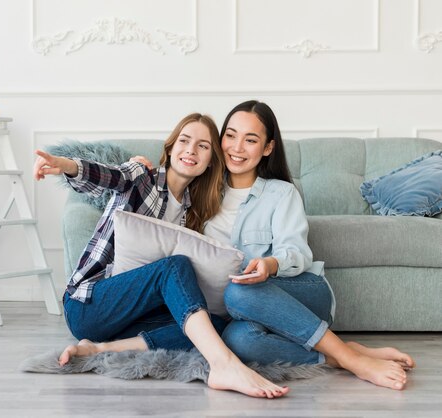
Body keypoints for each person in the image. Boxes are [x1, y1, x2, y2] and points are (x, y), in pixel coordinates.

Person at [33, 113, 289, 398]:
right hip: (89, 305)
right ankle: (223, 365)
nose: (191, 150)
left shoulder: (194, 214)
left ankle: (99, 349)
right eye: (184, 141)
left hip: (129, 319)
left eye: (203, 146)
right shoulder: (142, 178)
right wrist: (66, 166)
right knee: (173, 267)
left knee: (214, 324)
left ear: (210, 162)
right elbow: (108, 176)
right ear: (170, 148)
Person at [207, 100, 414, 391]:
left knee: (240, 290)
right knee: (237, 341)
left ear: (267, 148)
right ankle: (340, 354)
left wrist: (269, 265)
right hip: (246, 307)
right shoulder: (203, 193)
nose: (237, 147)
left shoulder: (281, 193)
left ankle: (355, 362)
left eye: (250, 139)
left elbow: (297, 253)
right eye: (230, 135)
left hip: (302, 292)